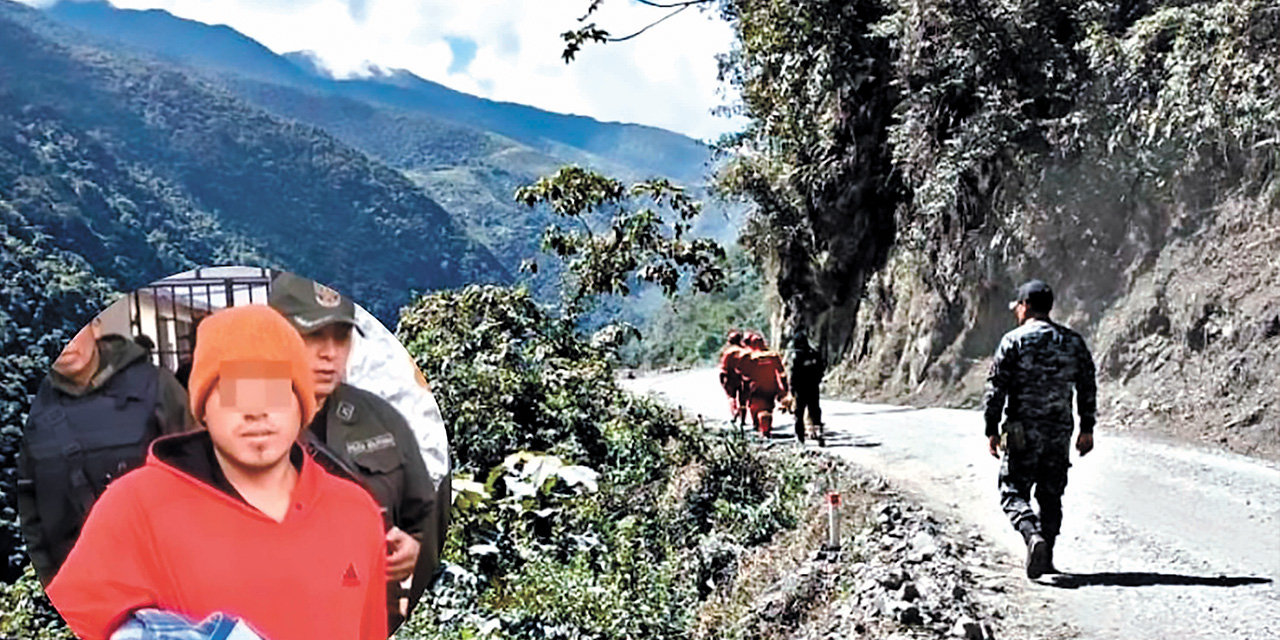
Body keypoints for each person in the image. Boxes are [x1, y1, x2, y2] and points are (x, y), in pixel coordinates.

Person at [45, 304, 388, 640]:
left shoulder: (356, 510)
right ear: (203, 408)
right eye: (235, 392)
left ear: (302, 405)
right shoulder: (135, 507)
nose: (257, 411)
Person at [268, 272, 442, 630]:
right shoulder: (235, 425)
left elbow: (422, 510)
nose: (329, 353)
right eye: (312, 335)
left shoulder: (381, 420)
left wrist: (414, 546)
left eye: (341, 337)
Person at [18, 316, 194, 585]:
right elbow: (26, 513)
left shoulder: (155, 385)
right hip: (75, 585)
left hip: (165, 575)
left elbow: (201, 475)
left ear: (96, 325)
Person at [983, 279, 1097, 579]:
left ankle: (1032, 536)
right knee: (1050, 495)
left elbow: (996, 389)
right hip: (1059, 432)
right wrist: (1087, 428)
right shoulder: (1073, 342)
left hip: (1022, 431)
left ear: (1024, 306)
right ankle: (1046, 558)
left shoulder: (1014, 341)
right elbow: (1087, 386)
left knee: (1012, 490)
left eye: (1017, 307)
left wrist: (991, 429)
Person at [736, 333, 789, 437]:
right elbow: (781, 373)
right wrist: (784, 389)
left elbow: (743, 374)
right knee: (768, 409)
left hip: (755, 388)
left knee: (756, 409)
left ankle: (760, 428)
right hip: (771, 388)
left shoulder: (749, 357)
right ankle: (766, 430)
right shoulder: (773, 356)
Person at [787, 332, 826, 444]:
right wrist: (817, 380)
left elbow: (794, 374)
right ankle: (818, 432)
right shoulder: (814, 353)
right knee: (815, 410)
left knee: (799, 413)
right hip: (813, 387)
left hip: (801, 389)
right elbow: (821, 368)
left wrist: (792, 389)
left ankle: (800, 437)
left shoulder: (796, 356)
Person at [717, 330, 749, 427]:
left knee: (732, 397)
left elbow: (723, 368)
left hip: (731, 378)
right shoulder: (746, 351)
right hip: (744, 378)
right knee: (743, 400)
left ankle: (735, 414)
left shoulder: (728, 352)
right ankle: (743, 419)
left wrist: (722, 381)